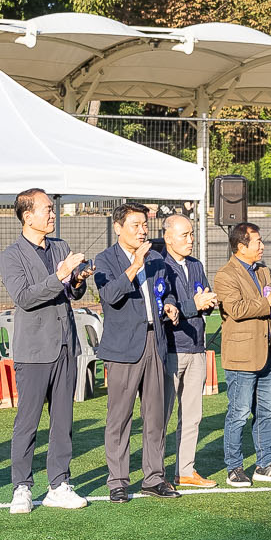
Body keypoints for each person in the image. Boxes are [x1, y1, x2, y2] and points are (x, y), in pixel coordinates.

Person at [0, 189, 92, 513]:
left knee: (63, 420)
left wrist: (77, 280)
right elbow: (24, 297)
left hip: (65, 343)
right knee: (27, 421)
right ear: (28, 216)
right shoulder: (12, 255)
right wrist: (61, 274)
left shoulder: (60, 248)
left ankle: (59, 483)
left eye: (53, 209)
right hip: (33, 349)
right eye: (47, 210)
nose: (53, 215)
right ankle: (22, 486)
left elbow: (71, 294)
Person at [94, 201, 173, 503]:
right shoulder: (105, 260)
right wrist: (134, 266)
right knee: (120, 418)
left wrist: (171, 307)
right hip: (123, 348)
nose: (142, 231)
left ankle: (154, 478)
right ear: (118, 228)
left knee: (155, 416)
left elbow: (164, 292)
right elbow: (110, 295)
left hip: (155, 341)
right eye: (135, 225)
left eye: (144, 225)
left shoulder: (157, 258)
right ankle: (118, 481)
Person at [212, 220, 271, 485]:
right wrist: (269, 301)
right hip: (241, 356)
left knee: (266, 412)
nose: (262, 246)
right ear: (241, 246)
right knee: (238, 413)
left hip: (266, 352)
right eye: (258, 242)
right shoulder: (225, 275)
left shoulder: (262, 271)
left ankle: (265, 464)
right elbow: (235, 310)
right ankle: (234, 467)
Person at [151, 213, 220, 488]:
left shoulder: (196, 265)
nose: (191, 240)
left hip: (197, 347)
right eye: (185, 235)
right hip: (170, 349)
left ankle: (185, 470)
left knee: (192, 415)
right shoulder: (158, 266)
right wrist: (194, 304)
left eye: (192, 234)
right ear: (168, 238)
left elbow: (202, 297)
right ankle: (155, 473)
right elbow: (164, 311)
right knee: (162, 415)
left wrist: (209, 302)